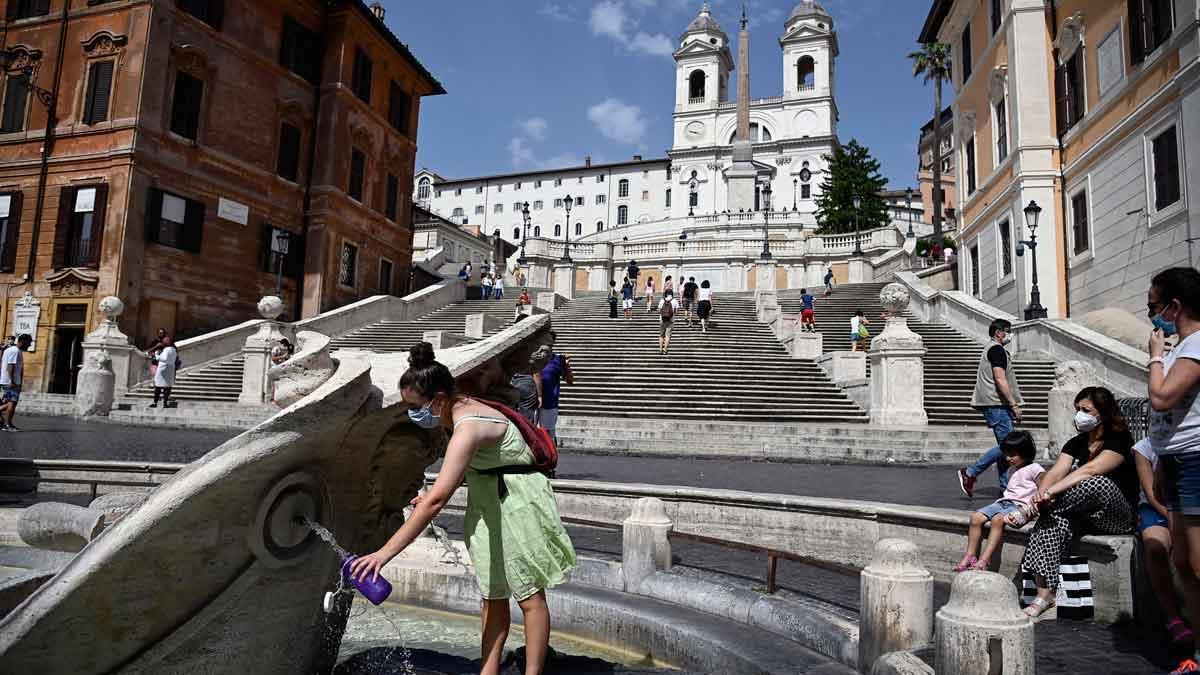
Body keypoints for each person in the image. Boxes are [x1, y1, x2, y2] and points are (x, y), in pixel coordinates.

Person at [350, 343, 576, 675]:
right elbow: (468, 471)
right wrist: (428, 498)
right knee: (492, 593)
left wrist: (382, 555)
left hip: (517, 503)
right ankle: (488, 670)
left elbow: (438, 499)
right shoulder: (455, 409)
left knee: (528, 595)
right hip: (489, 501)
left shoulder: (468, 426)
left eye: (415, 407)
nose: (412, 414)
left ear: (439, 398)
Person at [1019, 386, 1137, 619]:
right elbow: (1055, 472)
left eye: (1086, 409)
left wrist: (1048, 495)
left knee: (1095, 482)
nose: (1079, 415)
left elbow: (1090, 470)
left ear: (1103, 412)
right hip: (1079, 514)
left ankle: (1031, 512)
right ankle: (1044, 594)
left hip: (1115, 515)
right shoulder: (1075, 443)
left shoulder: (1119, 439)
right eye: (1077, 409)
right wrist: (1040, 496)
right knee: (1050, 519)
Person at [1145, 267, 1200, 674]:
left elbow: (1162, 397)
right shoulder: (1183, 346)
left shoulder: (1197, 344)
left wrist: (1154, 356)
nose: (1152, 316)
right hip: (1177, 462)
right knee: (1182, 563)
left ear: (1174, 306)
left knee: (1197, 564)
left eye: (1154, 306)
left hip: (1197, 461)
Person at [1134, 437, 1195, 647]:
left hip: (1189, 509)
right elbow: (1152, 494)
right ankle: (1172, 618)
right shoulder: (1144, 448)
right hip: (1158, 508)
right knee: (1154, 547)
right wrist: (1173, 521)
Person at [955, 431, 1044, 572]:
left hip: (1019, 506)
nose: (1008, 458)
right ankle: (970, 556)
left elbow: (1043, 489)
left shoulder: (1035, 468)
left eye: (1013, 455)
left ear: (1026, 452)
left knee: (998, 520)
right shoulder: (1012, 470)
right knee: (975, 518)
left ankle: (984, 560)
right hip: (1003, 503)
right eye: (1006, 454)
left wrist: (1034, 509)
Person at [956, 319, 1024, 497]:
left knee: (1006, 447)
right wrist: (1013, 404)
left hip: (996, 403)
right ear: (998, 332)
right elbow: (1000, 379)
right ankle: (970, 472)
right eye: (1008, 331)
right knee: (1007, 446)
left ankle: (1005, 486)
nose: (1010, 335)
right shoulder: (997, 350)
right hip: (997, 403)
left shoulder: (993, 349)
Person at [537, 335, 572, 446]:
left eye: (550, 344)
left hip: (549, 403)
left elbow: (569, 381)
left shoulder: (558, 360)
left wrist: (567, 367)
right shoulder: (532, 358)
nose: (547, 345)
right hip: (530, 403)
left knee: (547, 435)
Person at [508, 346, 550, 427]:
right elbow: (536, 375)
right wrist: (540, 395)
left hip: (515, 382)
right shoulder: (532, 354)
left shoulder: (517, 353)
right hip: (528, 385)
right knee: (527, 417)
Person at [0, 334, 31, 431]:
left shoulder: (10, 350)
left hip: (7, 381)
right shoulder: (15, 351)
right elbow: (10, 366)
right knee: (12, 403)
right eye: (28, 343)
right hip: (11, 382)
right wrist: (12, 381)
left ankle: (6, 424)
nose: (29, 345)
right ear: (23, 341)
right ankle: (8, 425)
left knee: (9, 403)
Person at [151, 337, 179, 408]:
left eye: (165, 341)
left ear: (169, 342)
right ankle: (165, 403)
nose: (163, 342)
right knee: (167, 388)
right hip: (169, 370)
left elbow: (164, 358)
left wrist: (156, 355)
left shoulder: (167, 349)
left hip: (163, 371)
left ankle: (155, 403)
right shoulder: (174, 350)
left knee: (158, 387)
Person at [658, 289, 680, 355]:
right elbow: (676, 312)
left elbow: (659, 310)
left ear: (666, 293)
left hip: (662, 319)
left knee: (661, 335)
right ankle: (665, 350)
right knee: (668, 336)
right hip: (670, 320)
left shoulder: (662, 300)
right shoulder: (675, 301)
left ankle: (660, 349)